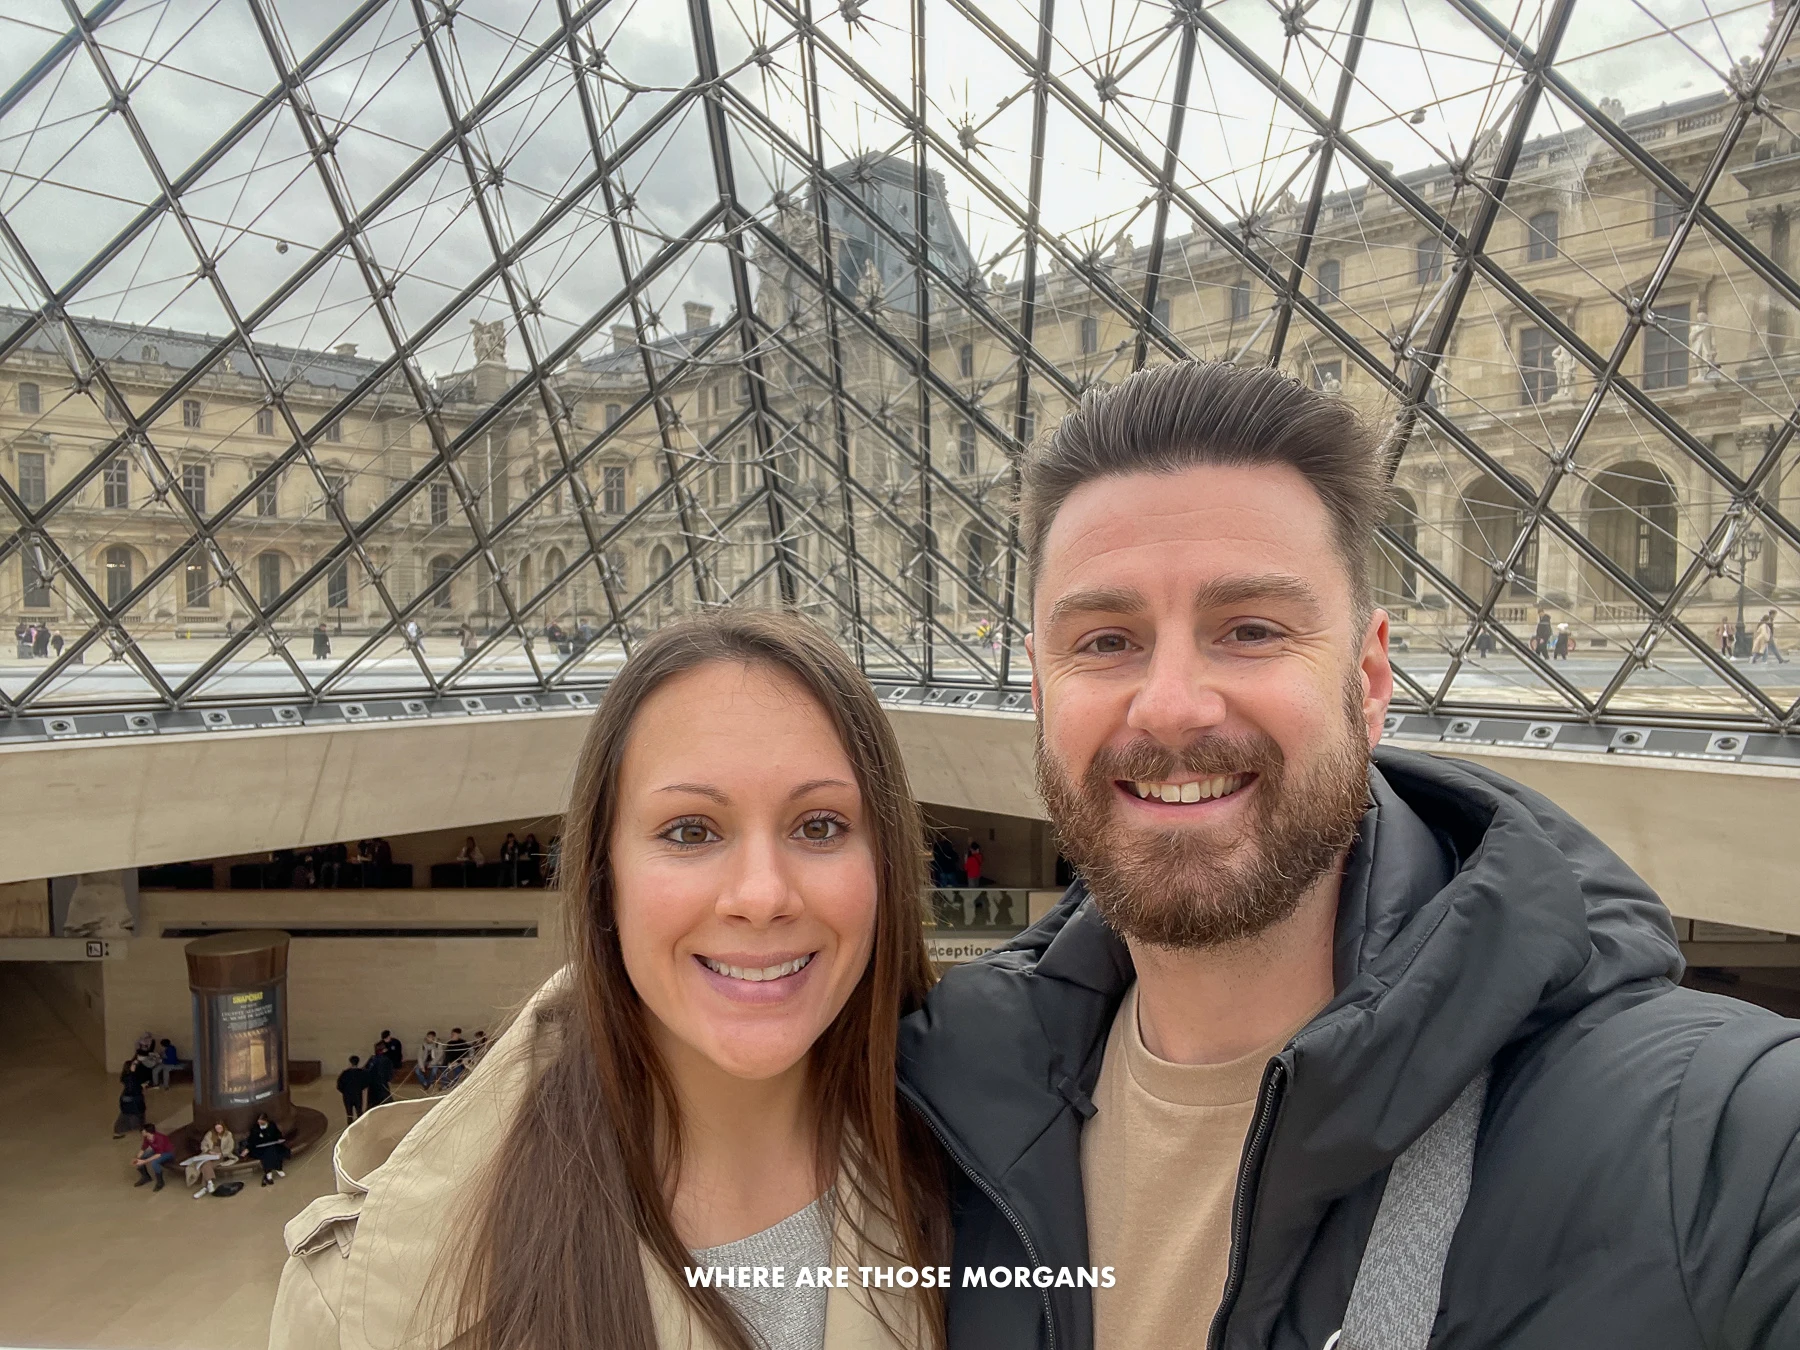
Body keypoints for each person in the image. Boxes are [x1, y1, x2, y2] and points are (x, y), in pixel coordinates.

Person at [895, 360, 1800, 1350]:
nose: (1171, 705)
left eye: (1249, 629)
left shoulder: (1718, 1138)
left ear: (1369, 679)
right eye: (1106, 641)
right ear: (1038, 687)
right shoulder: (931, 1100)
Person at [273, 611, 947, 1350]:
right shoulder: (354, 1305)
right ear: (604, 880)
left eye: (819, 826)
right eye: (691, 830)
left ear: (884, 867)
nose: (761, 896)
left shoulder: (1010, 1182)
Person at [186, 1121, 236, 1197]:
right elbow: (203, 1145)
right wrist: (209, 1151)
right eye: (217, 1128)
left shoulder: (228, 1134)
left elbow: (230, 1147)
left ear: (223, 1127)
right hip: (209, 1153)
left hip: (221, 1154)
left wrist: (221, 1153)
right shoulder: (210, 1134)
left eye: (220, 1128)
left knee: (205, 1165)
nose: (218, 1130)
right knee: (206, 1163)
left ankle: (204, 1188)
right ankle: (209, 1183)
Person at [241, 1112, 289, 1186]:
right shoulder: (255, 1128)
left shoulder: (272, 1125)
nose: (260, 1123)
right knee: (268, 1152)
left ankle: (269, 1173)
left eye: (262, 1122)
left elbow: (277, 1134)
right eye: (259, 1122)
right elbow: (252, 1140)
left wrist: (280, 1139)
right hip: (259, 1148)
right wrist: (247, 1149)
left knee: (271, 1150)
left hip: (272, 1145)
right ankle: (277, 1169)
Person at [133, 1126, 176, 1191]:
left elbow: (158, 1155)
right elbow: (143, 1148)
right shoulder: (147, 1137)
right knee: (142, 1157)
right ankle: (145, 1177)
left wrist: (144, 1161)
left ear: (148, 1132)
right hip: (156, 1151)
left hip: (167, 1152)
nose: (141, 1132)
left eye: (143, 1131)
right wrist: (137, 1158)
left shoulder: (160, 1138)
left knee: (154, 1163)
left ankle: (160, 1182)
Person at [114, 1060, 148, 1138]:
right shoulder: (130, 1077)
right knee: (132, 1115)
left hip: (130, 1100)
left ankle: (118, 1131)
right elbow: (132, 1087)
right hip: (133, 1100)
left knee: (127, 1115)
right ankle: (140, 1129)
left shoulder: (127, 1076)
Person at [336, 1054, 367, 1124]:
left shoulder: (345, 1073)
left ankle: (349, 1126)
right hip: (358, 1095)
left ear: (350, 1063)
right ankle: (360, 1126)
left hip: (347, 1096)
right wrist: (360, 1088)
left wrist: (344, 1091)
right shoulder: (362, 1073)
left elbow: (339, 1086)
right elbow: (366, 1083)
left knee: (349, 1113)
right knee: (359, 1111)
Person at [364, 1039, 394, 1108]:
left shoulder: (372, 1059)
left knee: (372, 1104)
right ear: (384, 1050)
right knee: (386, 1103)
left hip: (372, 1084)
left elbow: (366, 1070)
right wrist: (389, 1079)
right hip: (382, 1084)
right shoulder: (386, 1060)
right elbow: (389, 1071)